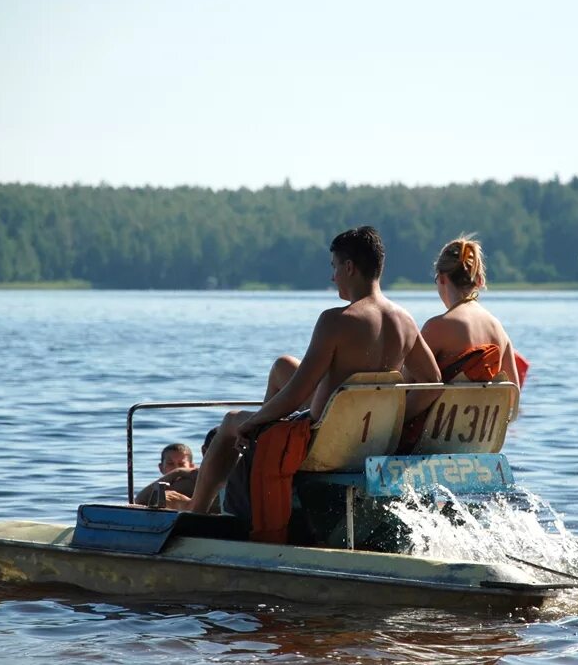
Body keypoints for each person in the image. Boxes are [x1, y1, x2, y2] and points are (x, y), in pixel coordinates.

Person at [179, 226, 441, 541]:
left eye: (334, 267)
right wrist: (394, 419)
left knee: (232, 422)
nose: (333, 278)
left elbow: (296, 394)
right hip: (373, 440)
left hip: (324, 443)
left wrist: (256, 422)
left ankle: (195, 517)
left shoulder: (337, 320)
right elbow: (433, 382)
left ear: (349, 267)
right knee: (283, 366)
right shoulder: (405, 321)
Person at [397, 234, 523, 453]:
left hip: (428, 443)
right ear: (479, 281)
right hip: (478, 445)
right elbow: (512, 400)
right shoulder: (499, 330)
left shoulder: (438, 327)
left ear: (442, 278)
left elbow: (403, 385)